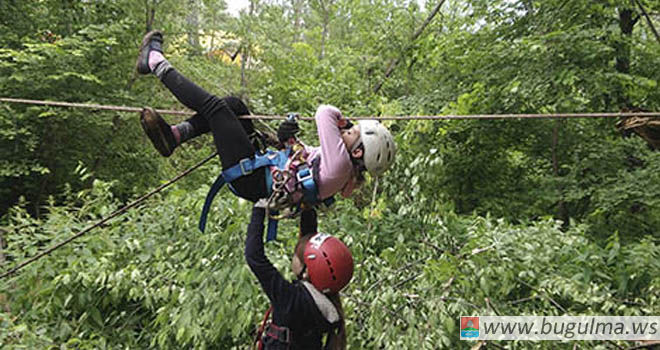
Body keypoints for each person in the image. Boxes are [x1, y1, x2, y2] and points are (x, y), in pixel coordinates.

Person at [135, 30, 396, 228]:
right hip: (262, 173)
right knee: (235, 106)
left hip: (252, 177)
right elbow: (301, 163)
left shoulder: (341, 165)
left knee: (215, 109)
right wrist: (288, 139)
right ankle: (176, 135)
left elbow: (324, 112)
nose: (347, 130)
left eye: (352, 132)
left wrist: (343, 122)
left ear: (359, 152)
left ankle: (155, 61)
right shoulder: (339, 169)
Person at [246, 202, 353, 349]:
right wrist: (306, 206)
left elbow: (254, 257)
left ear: (307, 271)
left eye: (296, 254)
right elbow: (310, 241)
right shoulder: (324, 303)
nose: (293, 255)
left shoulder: (290, 299)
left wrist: (259, 210)